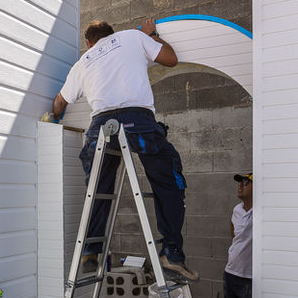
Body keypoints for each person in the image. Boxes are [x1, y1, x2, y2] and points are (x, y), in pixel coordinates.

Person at [48, 19, 198, 281]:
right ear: (111, 34)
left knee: (98, 187)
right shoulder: (132, 37)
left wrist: (54, 117)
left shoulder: (83, 62)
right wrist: (152, 34)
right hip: (137, 121)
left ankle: (91, 250)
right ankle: (172, 254)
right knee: (168, 181)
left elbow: (60, 102)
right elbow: (171, 59)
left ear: (89, 43)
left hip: (99, 129)